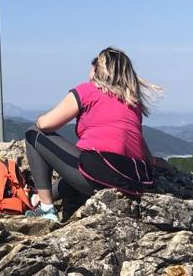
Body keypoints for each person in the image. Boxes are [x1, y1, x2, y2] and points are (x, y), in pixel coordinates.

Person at [23, 47, 169, 221]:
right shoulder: (132, 101)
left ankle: (47, 209)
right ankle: (38, 198)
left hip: (98, 176)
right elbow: (136, 138)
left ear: (98, 69)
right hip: (133, 182)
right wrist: (152, 160)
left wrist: (39, 119)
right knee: (82, 169)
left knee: (33, 133)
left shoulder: (87, 91)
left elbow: (45, 125)